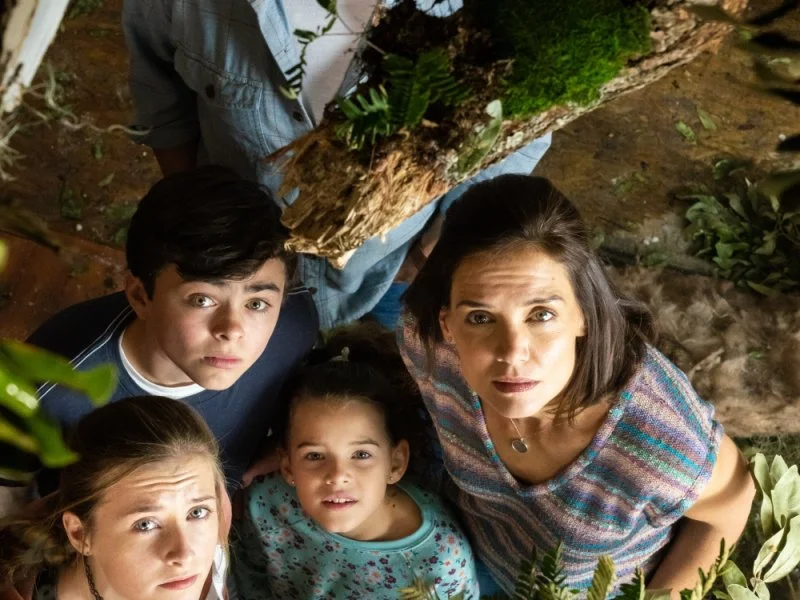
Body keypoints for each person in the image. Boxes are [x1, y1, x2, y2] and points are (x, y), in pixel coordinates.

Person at [399, 175, 756, 595]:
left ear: (583, 314)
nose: (512, 353)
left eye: (541, 315)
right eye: (480, 318)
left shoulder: (665, 443)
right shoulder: (429, 349)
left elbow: (732, 506)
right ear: (447, 324)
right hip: (470, 555)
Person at [121, 0, 552, 330]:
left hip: (391, 272)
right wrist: (200, 233)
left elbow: (521, 133)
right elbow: (162, 105)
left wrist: (428, 254)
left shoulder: (488, 11)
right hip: (231, 283)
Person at [22, 166, 318, 489]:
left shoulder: (293, 328)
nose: (232, 330)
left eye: (257, 304)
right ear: (141, 296)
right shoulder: (48, 387)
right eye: (202, 300)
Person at [230, 325, 478, 599]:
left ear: (396, 463)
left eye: (361, 455)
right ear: (287, 466)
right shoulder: (265, 501)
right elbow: (251, 579)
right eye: (315, 456)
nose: (337, 476)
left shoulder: (440, 562)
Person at [0, 396, 230, 600]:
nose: (185, 554)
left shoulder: (215, 535)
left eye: (197, 512)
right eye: (145, 524)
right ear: (79, 534)